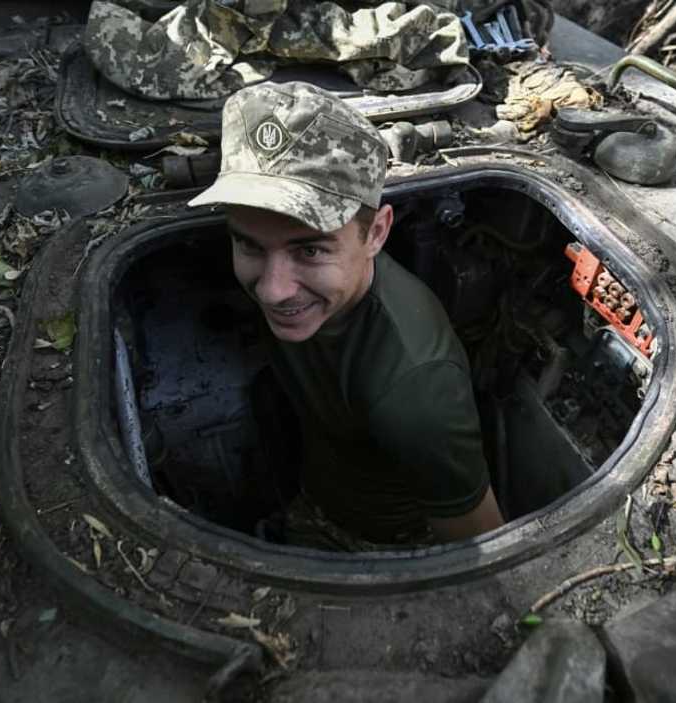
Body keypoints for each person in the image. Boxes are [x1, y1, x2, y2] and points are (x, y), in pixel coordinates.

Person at [188, 81, 503, 549]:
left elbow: (482, 550)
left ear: (376, 234)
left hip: (371, 540)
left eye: (310, 250)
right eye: (248, 244)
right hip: (317, 479)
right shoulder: (312, 283)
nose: (273, 291)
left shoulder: (416, 393)